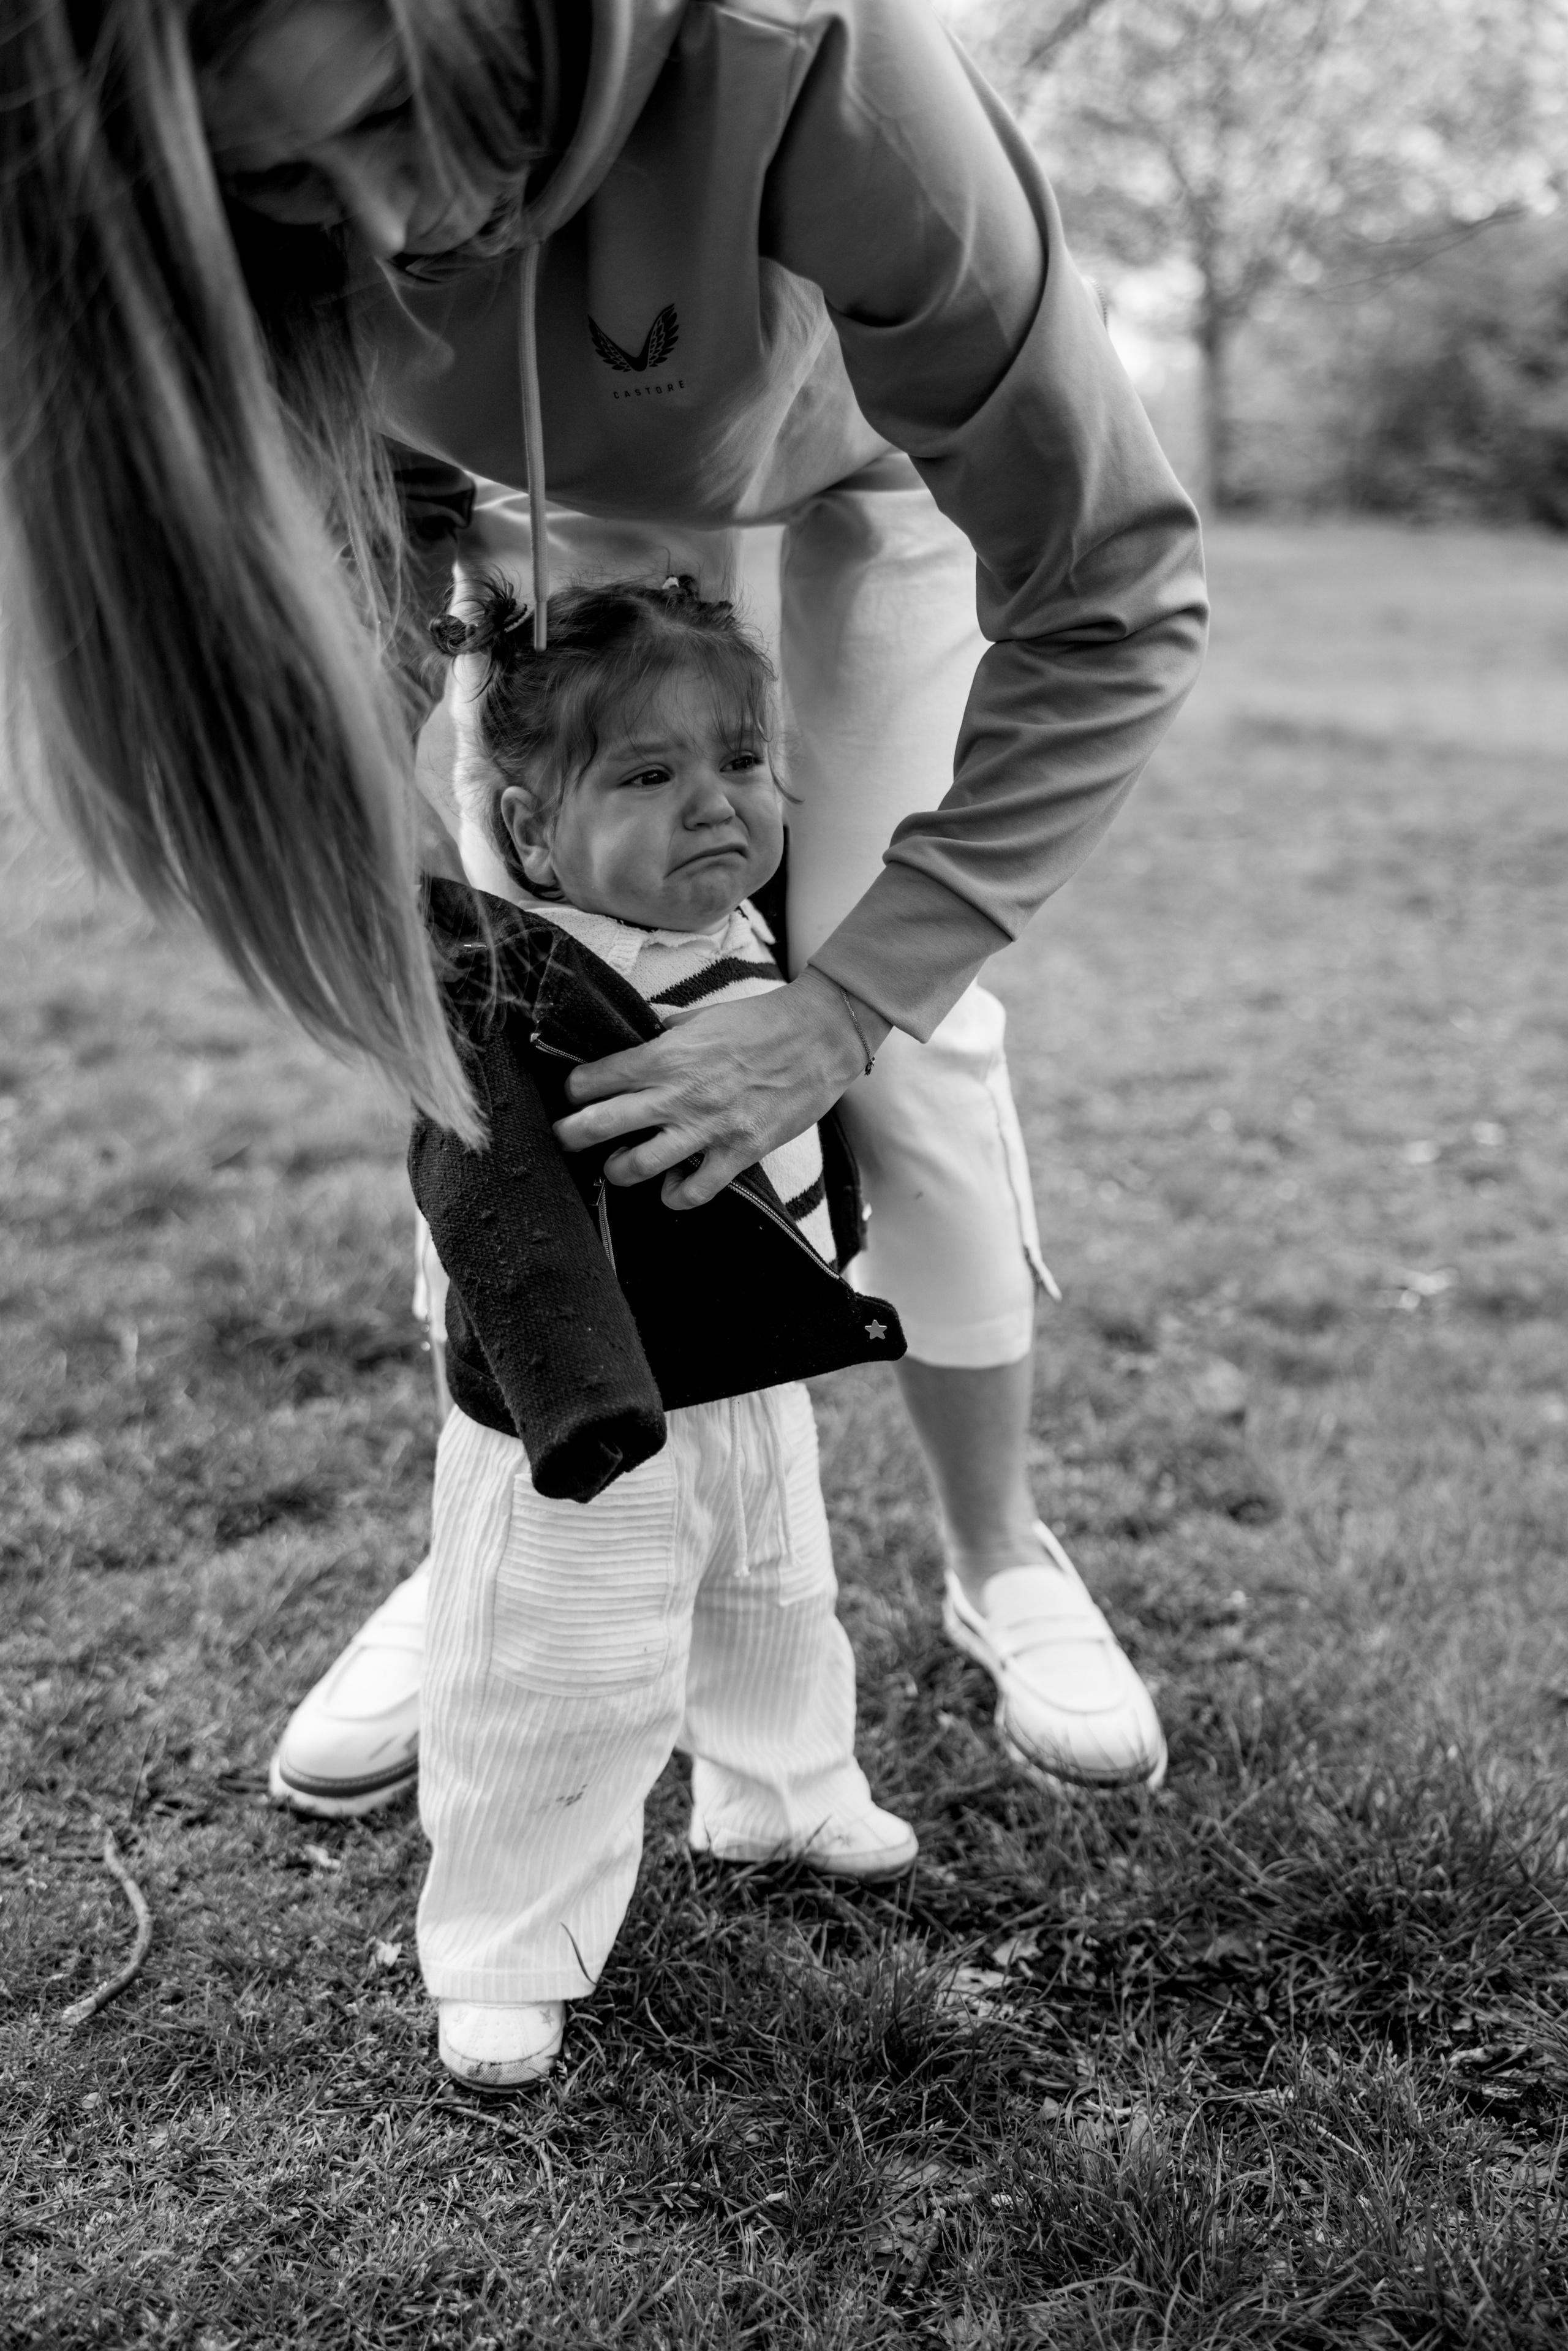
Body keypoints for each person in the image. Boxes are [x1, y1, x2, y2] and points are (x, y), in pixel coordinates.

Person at [2, 0, 1206, 1816]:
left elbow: (1112, 584)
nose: (384, 228)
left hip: (873, 474)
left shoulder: (811, 65)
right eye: (288, 183)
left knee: (903, 1038)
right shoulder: (282, 210)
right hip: (536, 506)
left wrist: (840, 1003)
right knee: (505, 1050)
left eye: (390, 127)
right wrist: (399, 805)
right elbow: (371, 489)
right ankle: (492, 1512)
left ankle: (1002, 1550)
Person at [412, 567, 919, 2088]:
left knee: (774, 1590)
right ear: (531, 831)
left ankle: (777, 1786)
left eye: (741, 760)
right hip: (591, 1406)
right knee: (558, 1670)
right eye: (645, 774)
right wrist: (568, 1394)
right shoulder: (509, 981)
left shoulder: (768, 924)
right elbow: (484, 1188)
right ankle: (505, 1942)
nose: (715, 803)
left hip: (750, 1368)